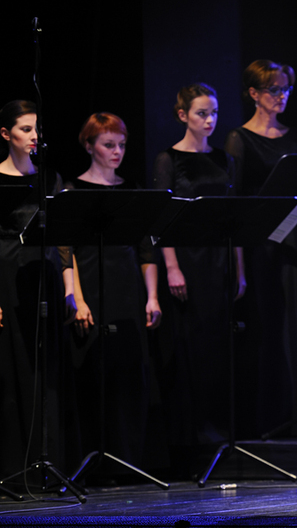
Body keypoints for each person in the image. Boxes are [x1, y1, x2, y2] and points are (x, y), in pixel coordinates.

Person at [225, 60, 297, 438]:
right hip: (260, 244)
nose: (281, 97)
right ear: (254, 94)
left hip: (296, 240)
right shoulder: (239, 138)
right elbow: (235, 203)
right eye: (273, 91)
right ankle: (269, 419)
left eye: (285, 90)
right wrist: (238, 266)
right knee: (267, 327)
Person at [68, 112, 161, 469]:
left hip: (127, 289)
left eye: (121, 145)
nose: (117, 151)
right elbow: (68, 252)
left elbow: (146, 250)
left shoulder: (132, 190)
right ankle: (94, 463)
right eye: (109, 145)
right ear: (89, 145)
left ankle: (127, 460)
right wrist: (77, 298)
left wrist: (152, 296)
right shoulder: (73, 191)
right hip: (90, 286)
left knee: (128, 374)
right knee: (94, 373)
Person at [152, 83, 241, 448]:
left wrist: (240, 271)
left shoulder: (224, 159)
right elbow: (161, 219)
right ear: (182, 115)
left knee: (218, 346)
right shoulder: (168, 160)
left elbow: (234, 217)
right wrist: (172, 267)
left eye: (214, 113)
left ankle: (216, 425)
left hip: (219, 259)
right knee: (191, 344)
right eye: (202, 113)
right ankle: (191, 430)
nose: (210, 120)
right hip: (186, 261)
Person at [0, 100, 76, 475]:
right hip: (9, 277)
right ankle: (16, 466)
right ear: (5, 134)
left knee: (47, 373)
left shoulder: (50, 178)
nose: (34, 137)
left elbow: (64, 241)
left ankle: (47, 464)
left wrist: (71, 290)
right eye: (25, 129)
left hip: (44, 277)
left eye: (37, 130)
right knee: (15, 370)